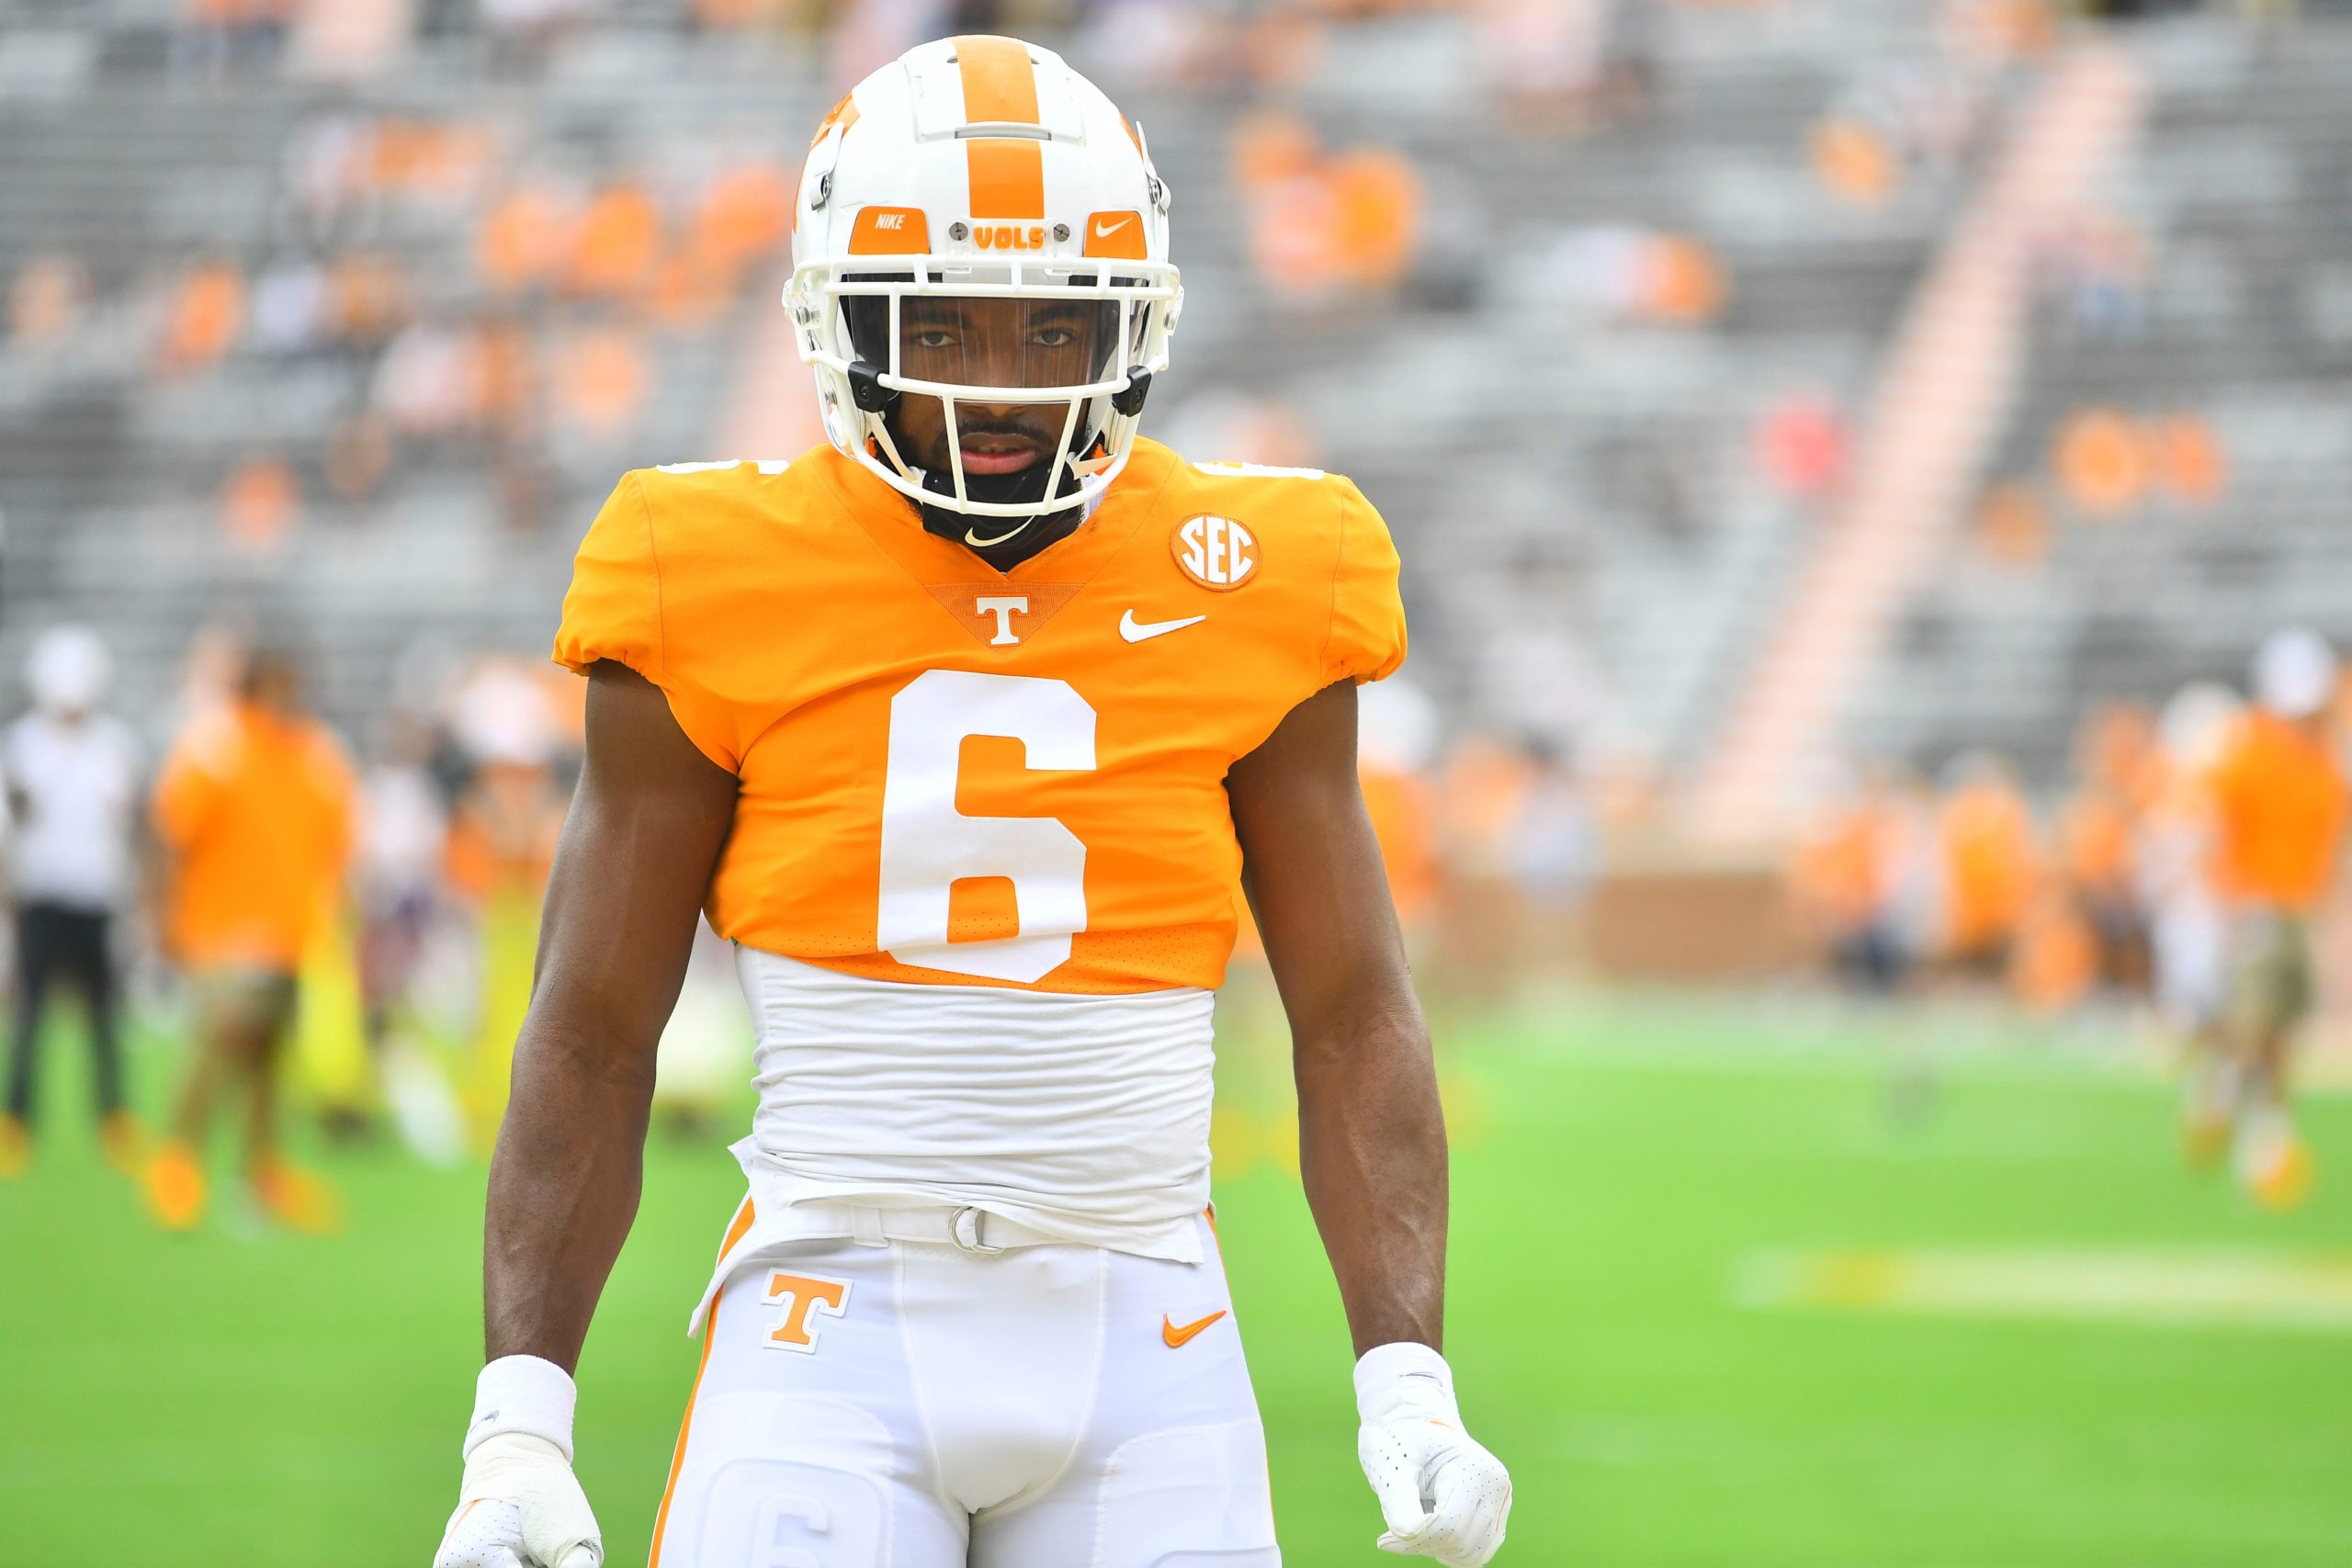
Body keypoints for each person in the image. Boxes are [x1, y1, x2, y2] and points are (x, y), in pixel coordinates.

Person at [434, 35, 1511, 1568]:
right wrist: (518, 1420)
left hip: (1150, 1319)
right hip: (827, 1320)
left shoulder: (1261, 568)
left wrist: (1406, 1382)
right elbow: (594, 1022)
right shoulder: (706, 565)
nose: (997, 381)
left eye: (1055, 324)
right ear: (842, 324)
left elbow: (1351, 1007)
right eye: (941, 320)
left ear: (1131, 327)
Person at [141, 644, 355, 1232]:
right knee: (220, 1041)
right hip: (221, 929)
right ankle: (178, 1161)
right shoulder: (218, 746)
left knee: (268, 1059)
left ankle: (260, 1172)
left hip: (290, 931)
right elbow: (170, 834)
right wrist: (160, 919)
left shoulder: (315, 752)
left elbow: (338, 843)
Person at [2204, 628, 2348, 1210]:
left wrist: (2328, 924)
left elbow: (2327, 853)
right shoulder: (2250, 755)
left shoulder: (2324, 768)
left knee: (2284, 1029)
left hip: (2297, 907)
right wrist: (2230, 906)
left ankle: (2264, 1126)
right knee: (2253, 1022)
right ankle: (2237, 1107)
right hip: (2258, 902)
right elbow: (2222, 834)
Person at [0, 626, 144, 1178]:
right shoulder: (22, 745)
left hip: (95, 893)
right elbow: (14, 825)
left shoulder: (113, 745)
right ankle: (17, 1119)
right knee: (29, 1013)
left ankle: (112, 1116)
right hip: (42, 892)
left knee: (105, 1016)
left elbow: (129, 823)